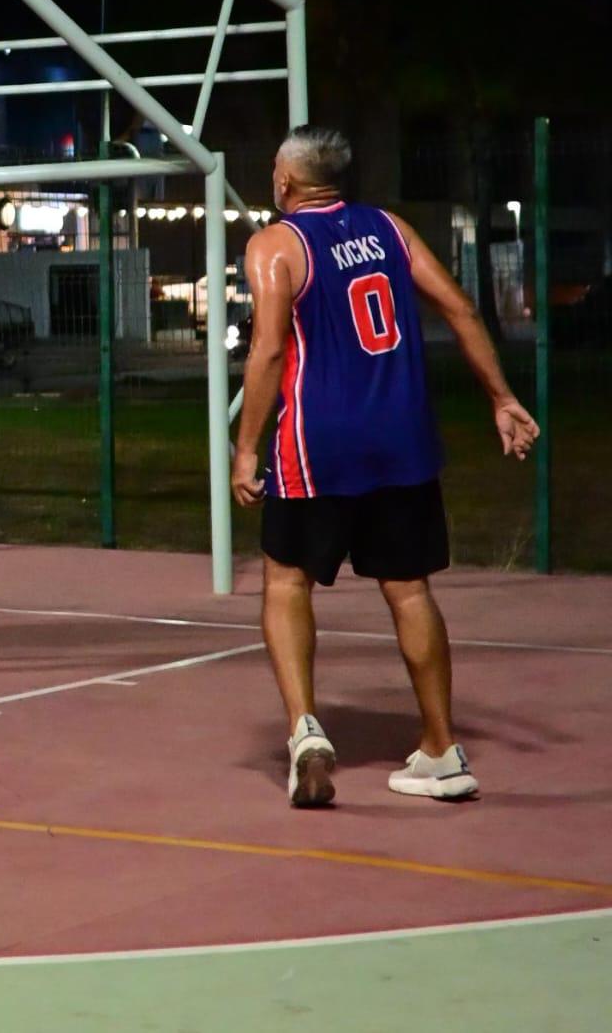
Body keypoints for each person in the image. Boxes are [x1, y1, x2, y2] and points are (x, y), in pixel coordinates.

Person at [232, 126, 539, 808]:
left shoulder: (275, 245)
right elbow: (458, 307)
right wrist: (502, 397)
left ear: (285, 181)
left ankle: (305, 731)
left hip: (319, 444)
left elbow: (269, 351)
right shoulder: (390, 231)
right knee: (409, 591)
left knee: (285, 582)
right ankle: (442, 750)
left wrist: (247, 446)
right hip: (401, 439)